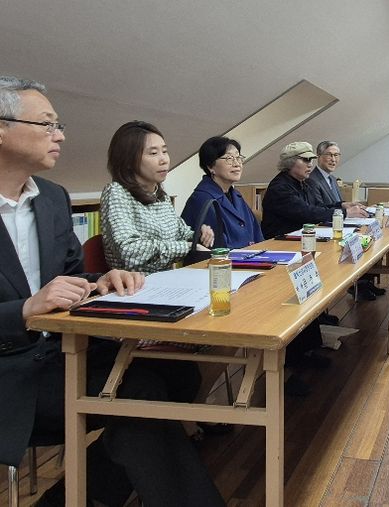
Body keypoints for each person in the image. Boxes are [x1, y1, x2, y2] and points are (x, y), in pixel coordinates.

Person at [0, 76, 224, 506]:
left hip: (62, 351)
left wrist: (98, 282)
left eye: (58, 125)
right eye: (47, 124)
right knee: (140, 397)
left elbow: (72, 276)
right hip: (11, 368)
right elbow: (34, 301)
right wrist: (26, 308)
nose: (60, 135)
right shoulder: (113, 194)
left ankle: (77, 495)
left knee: (177, 375)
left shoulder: (51, 197)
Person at [101, 121, 214, 274]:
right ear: (128, 160)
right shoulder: (116, 192)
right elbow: (129, 250)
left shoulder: (161, 196)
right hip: (134, 284)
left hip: (166, 280)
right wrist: (187, 247)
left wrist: (199, 235)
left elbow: (181, 233)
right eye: (153, 153)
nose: (164, 160)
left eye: (165, 151)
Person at [310, 140, 384, 301]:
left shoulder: (332, 179)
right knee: (359, 238)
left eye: (336, 155)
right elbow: (319, 209)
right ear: (318, 156)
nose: (333, 159)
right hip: (326, 228)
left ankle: (364, 281)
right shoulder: (312, 179)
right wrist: (346, 211)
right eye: (329, 155)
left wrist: (348, 205)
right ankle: (358, 285)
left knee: (368, 236)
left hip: (339, 224)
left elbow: (335, 204)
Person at [260, 141, 367, 239]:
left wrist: (341, 206)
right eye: (305, 160)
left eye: (311, 160)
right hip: (280, 243)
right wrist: (345, 213)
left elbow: (317, 206)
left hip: (300, 238)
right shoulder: (280, 188)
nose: (310, 164)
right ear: (290, 162)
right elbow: (308, 213)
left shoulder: (302, 183)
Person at [181, 136, 263, 248]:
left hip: (250, 255)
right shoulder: (203, 199)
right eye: (229, 158)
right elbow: (217, 247)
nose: (237, 164)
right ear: (210, 166)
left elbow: (257, 236)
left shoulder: (236, 195)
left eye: (238, 157)